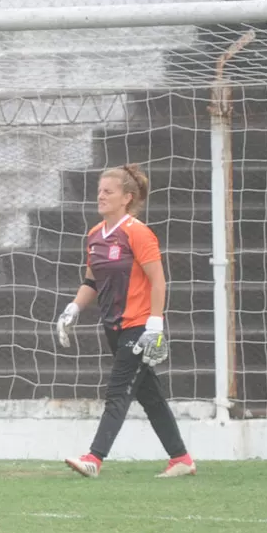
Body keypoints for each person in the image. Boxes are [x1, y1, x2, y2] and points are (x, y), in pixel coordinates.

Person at [55, 164, 195, 479]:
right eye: (100, 190)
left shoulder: (138, 233)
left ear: (127, 198)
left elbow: (158, 281)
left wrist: (155, 324)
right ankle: (181, 458)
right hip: (113, 328)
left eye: (109, 191)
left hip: (139, 327)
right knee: (150, 396)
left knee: (118, 391)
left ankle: (94, 458)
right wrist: (73, 309)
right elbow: (91, 282)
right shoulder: (94, 236)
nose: (101, 196)